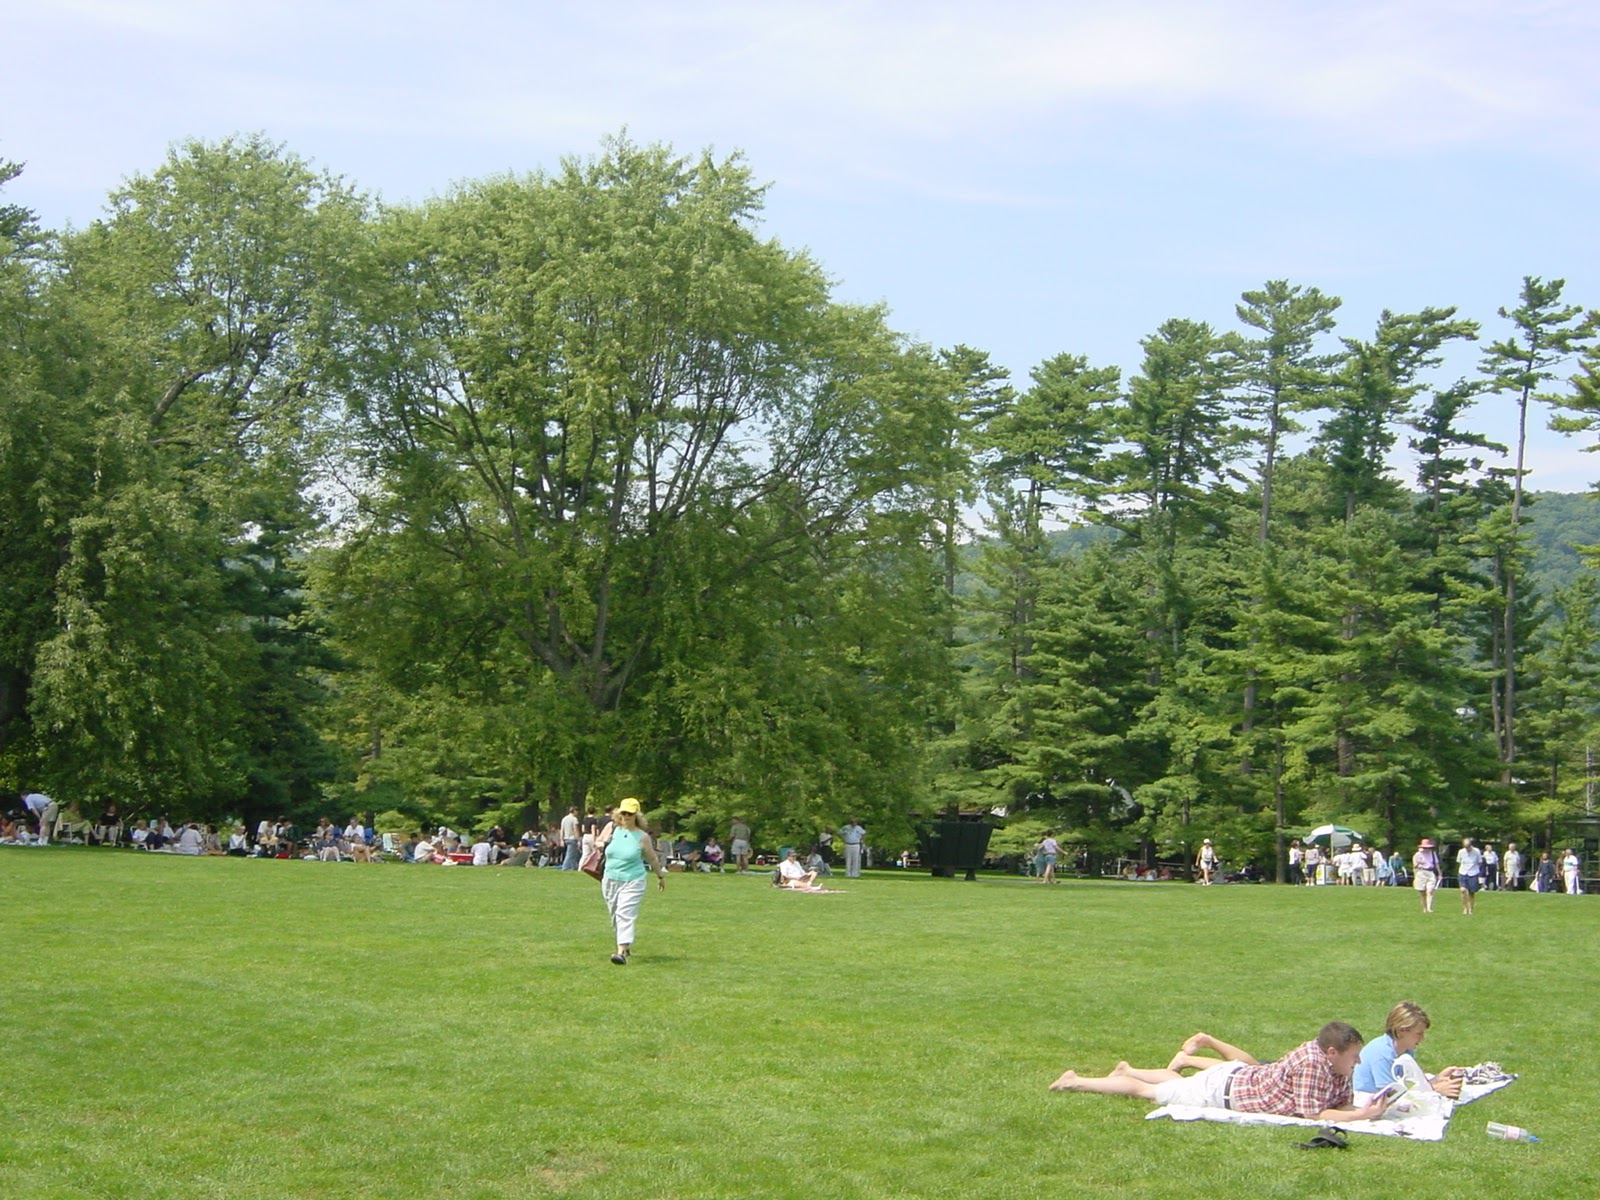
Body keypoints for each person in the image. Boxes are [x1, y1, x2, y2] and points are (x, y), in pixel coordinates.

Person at [1049, 1022, 1389, 1123]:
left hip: (1233, 1080)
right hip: (1223, 1091)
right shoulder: (1314, 1065)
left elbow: (1340, 1103)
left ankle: (1129, 1068)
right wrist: (1361, 1115)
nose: (1357, 1063)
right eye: (1354, 1056)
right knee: (1146, 1093)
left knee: (1181, 1083)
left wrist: (1363, 1109)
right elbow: (1316, 1113)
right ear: (1332, 1052)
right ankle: (1077, 1081)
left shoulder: (1333, 1061)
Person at [596, 798, 665, 965]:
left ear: (636, 815)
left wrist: (660, 876)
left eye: (630, 813)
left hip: (633, 880)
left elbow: (652, 859)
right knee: (615, 914)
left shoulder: (642, 837)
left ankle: (620, 953)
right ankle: (625, 945)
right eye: (623, 813)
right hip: (610, 879)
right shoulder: (612, 828)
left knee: (625, 914)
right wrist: (599, 844)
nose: (626, 816)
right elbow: (598, 841)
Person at [1352, 1001, 1464, 1101]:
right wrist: (1434, 1090)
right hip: (1366, 1099)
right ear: (1401, 1031)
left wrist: (1438, 1079)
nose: (1423, 1038)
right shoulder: (1381, 1054)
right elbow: (1390, 1095)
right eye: (1419, 1034)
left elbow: (1413, 1083)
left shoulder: (1406, 1050)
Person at [1412, 838, 1441, 913]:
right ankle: (1424, 908)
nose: (1426, 849)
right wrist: (1419, 862)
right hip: (1421, 872)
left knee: (1430, 891)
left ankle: (1429, 908)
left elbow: (1436, 864)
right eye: (1425, 847)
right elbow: (1415, 866)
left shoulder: (1432, 853)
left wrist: (1439, 873)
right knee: (1422, 892)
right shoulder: (1417, 855)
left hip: (1430, 872)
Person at [1456, 836, 1483, 915]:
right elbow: (1459, 862)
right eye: (1465, 847)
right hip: (1463, 872)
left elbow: (1480, 862)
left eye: (1468, 847)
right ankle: (1465, 908)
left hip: (1473, 873)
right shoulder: (1461, 852)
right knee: (1463, 890)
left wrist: (1476, 870)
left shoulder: (1476, 851)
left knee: (1471, 893)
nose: (1467, 849)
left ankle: (1471, 909)